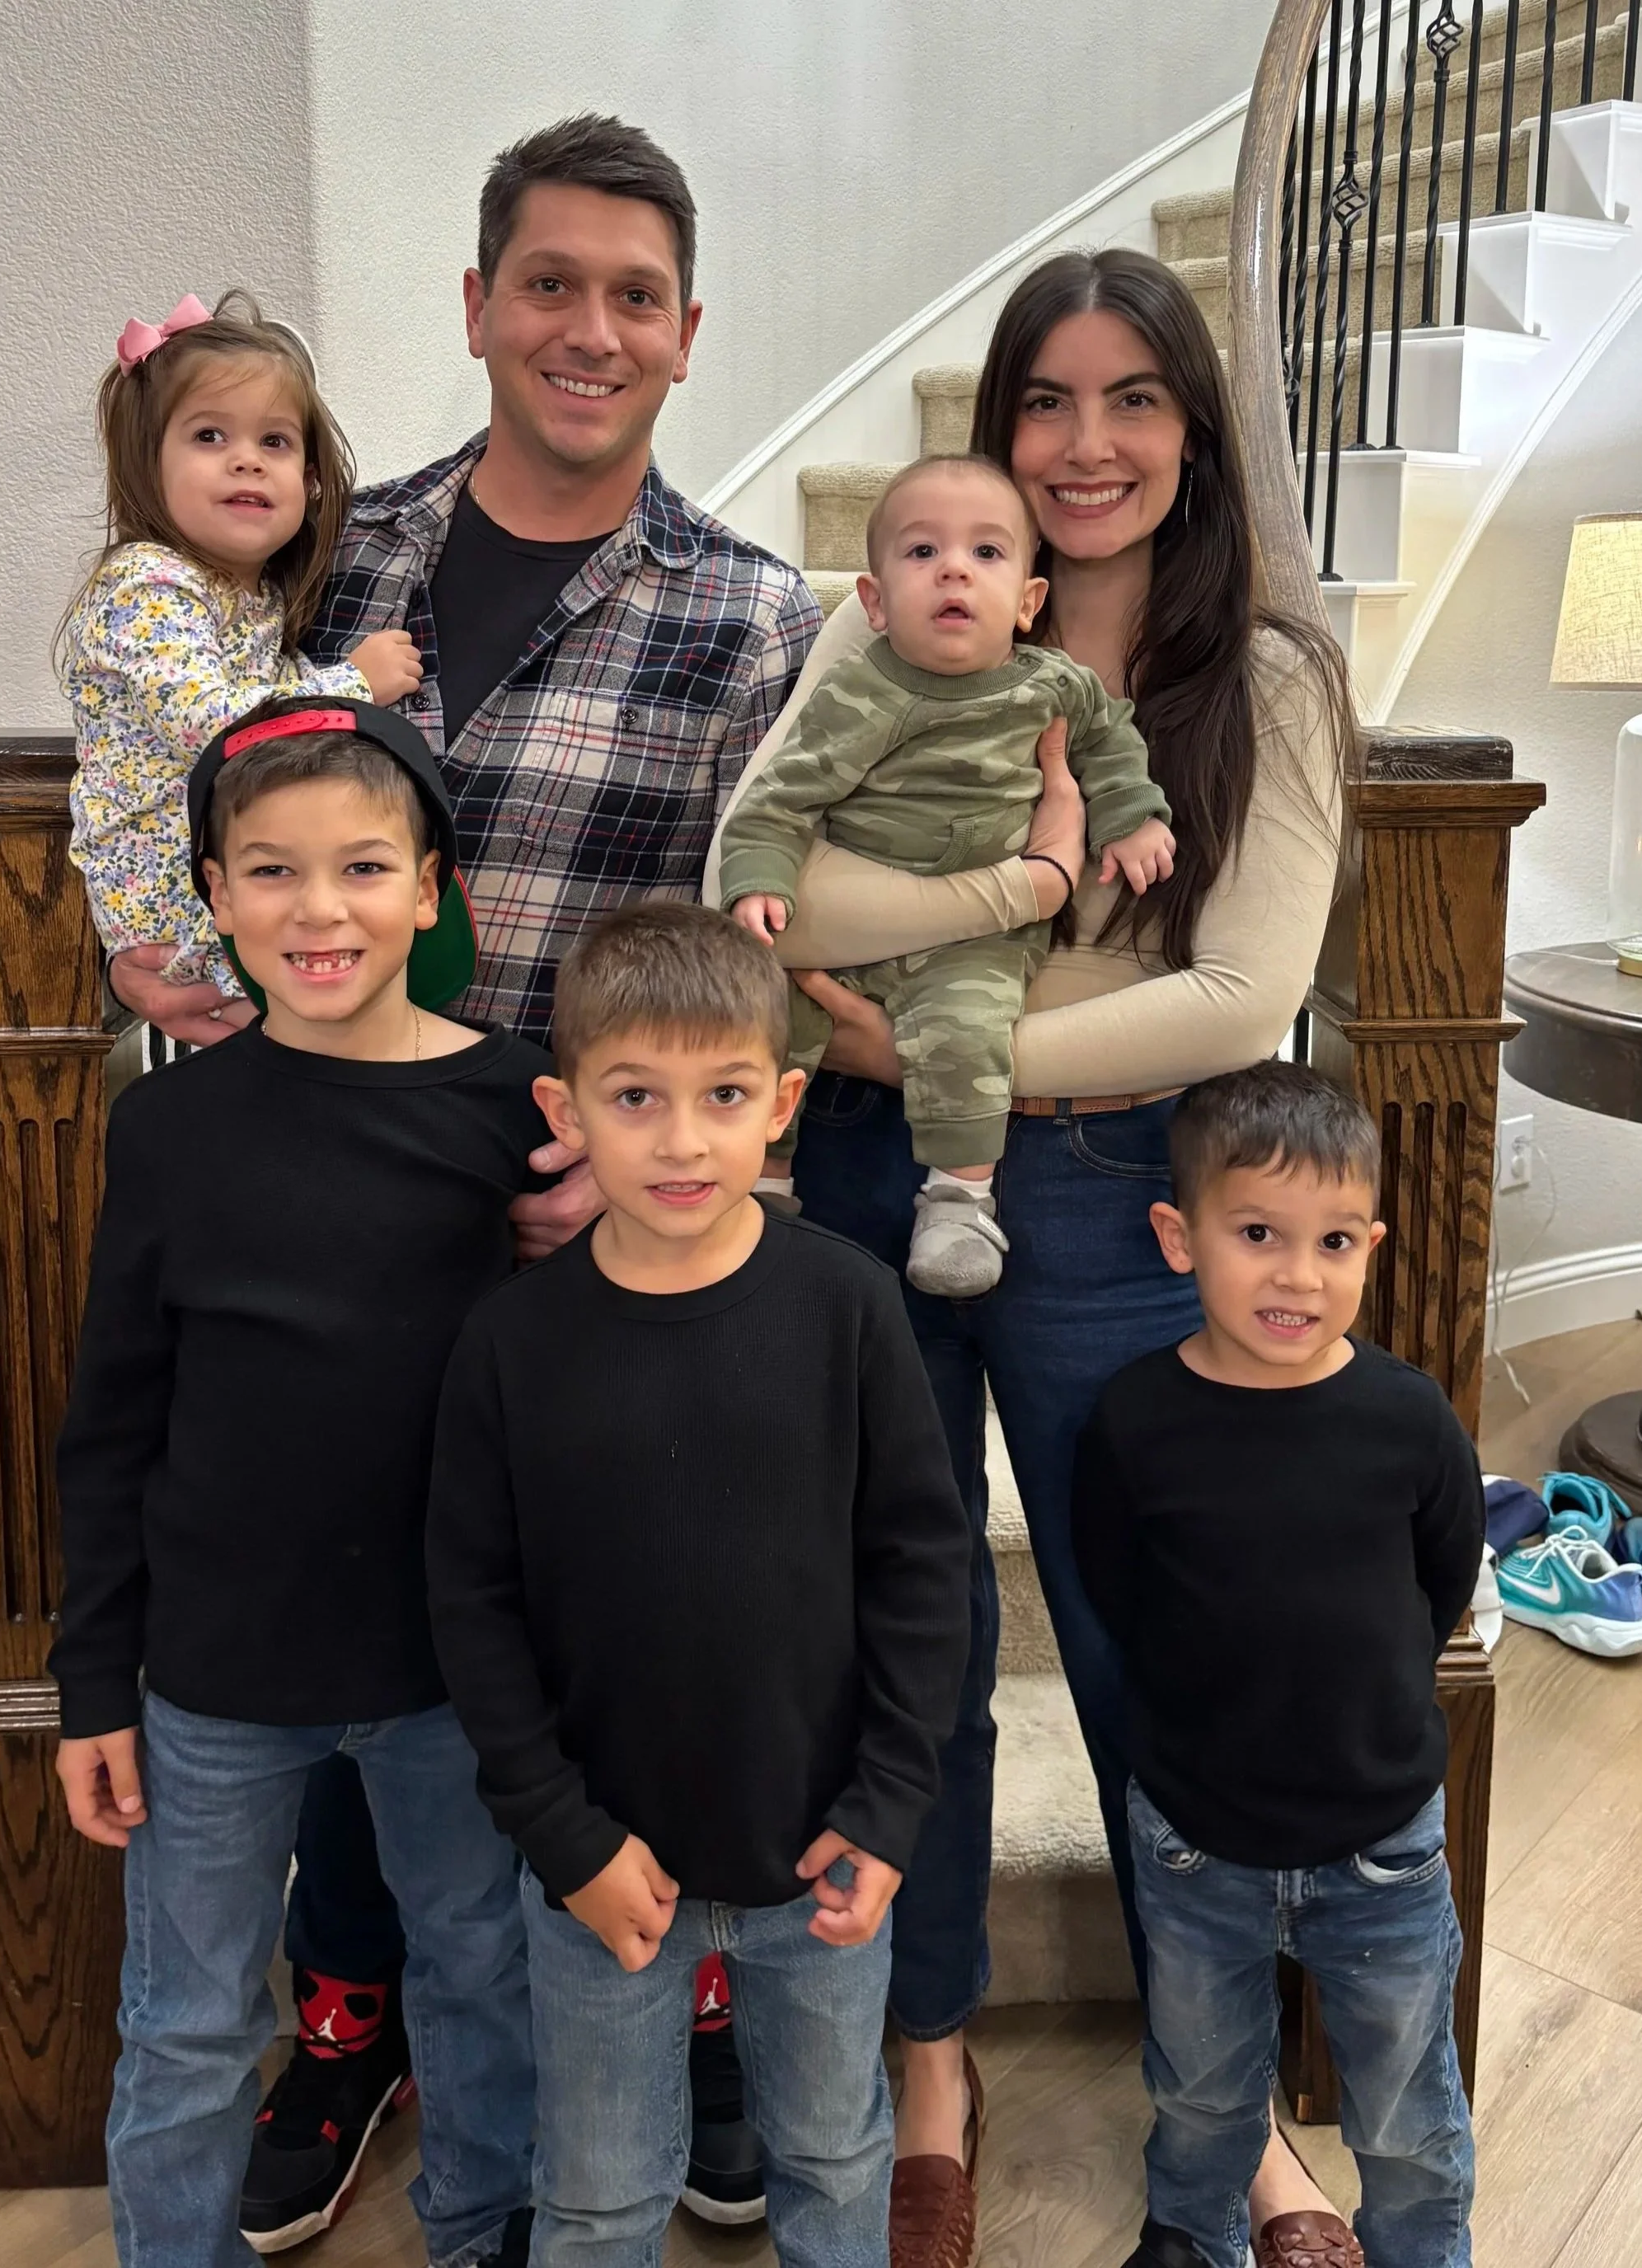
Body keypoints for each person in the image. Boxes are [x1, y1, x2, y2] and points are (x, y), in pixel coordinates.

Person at [101, 117, 829, 2239]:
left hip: (574, 1229)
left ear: (685, 337)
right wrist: (139, 937)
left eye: (631, 295)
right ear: (479, 305)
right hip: (306, 1204)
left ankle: (662, 1984)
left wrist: (644, 1189)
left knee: (546, 1638)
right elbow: (171, 784)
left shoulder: (752, 620)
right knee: (313, 1597)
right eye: (548, 283)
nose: (585, 330)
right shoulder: (324, 558)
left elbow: (751, 946)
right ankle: (353, 2020)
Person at [707, 245, 1360, 2268]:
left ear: (1194, 431)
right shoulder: (877, 624)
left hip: (1116, 1205)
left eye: (1132, 401)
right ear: (994, 436)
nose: (1085, 447)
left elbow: (1242, 994)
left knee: (1140, 1644)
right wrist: (959, 953)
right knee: (905, 1647)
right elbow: (776, 871)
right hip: (874, 1186)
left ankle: (1231, 2121)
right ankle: (930, 2062)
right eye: (1045, 404)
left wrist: (945, 1032)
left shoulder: (1258, 680)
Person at [49, 697, 544, 2268]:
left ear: (429, 885)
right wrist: (88, 1685)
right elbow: (114, 1418)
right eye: (269, 871)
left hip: (456, 1670)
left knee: (479, 1980)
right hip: (214, 1676)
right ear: (211, 888)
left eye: (359, 868)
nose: (316, 910)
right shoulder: (170, 1127)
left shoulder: (526, 1109)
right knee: (191, 2027)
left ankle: (486, 2237)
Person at [425, 901, 972, 2268]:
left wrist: (891, 1807)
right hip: (603, 1870)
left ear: (782, 1101)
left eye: (722, 1094)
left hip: (823, 1862)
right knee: (601, 2195)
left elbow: (923, 1571)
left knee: (837, 2160)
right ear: (565, 1107)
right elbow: (472, 1603)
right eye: (634, 1098)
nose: (679, 1140)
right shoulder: (509, 1340)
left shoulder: (847, 1310)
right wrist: (561, 1834)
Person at [1073, 1061, 1482, 2268]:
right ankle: (1193, 2235)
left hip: (1382, 1844)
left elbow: (1441, 1578)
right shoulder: (1133, 1417)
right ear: (1176, 1234)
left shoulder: (1409, 1417)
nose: (1297, 1274)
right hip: (1197, 1838)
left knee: (1408, 2112)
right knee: (1201, 2093)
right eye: (1257, 1232)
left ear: (1371, 1243)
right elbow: (1115, 1585)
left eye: (1332, 1239)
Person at [719, 453, 1173, 1296]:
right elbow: (779, 800)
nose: (956, 569)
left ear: (1030, 603)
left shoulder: (1053, 686)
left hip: (979, 943)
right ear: (876, 601)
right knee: (765, 1018)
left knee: (971, 1035)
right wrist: (760, 880)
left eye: (988, 555)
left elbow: (1112, 746)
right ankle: (764, 1179)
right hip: (852, 930)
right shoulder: (859, 692)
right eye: (923, 553)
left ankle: (960, 1203)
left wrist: (1133, 817)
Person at [61, 289, 422, 1003]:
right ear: (147, 462)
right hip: (170, 892)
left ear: (311, 481)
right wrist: (351, 684)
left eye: (275, 442)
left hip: (225, 869)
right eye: (209, 437)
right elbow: (213, 721)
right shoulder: (146, 583)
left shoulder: (253, 599)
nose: (246, 461)